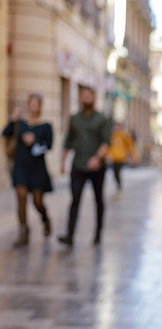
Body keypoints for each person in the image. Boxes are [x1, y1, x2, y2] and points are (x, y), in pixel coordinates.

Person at [58, 88, 111, 246]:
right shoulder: (74, 119)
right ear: (80, 98)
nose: (86, 99)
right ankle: (70, 234)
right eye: (83, 96)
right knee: (75, 199)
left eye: (89, 96)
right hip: (78, 166)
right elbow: (68, 141)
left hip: (97, 168)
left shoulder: (102, 118)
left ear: (94, 98)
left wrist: (97, 158)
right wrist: (62, 162)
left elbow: (106, 142)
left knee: (98, 200)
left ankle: (98, 233)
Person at [2, 93, 53, 247]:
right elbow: (5, 133)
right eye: (31, 104)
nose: (33, 107)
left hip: (37, 168)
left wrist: (34, 141)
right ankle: (23, 231)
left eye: (36, 104)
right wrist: (13, 119)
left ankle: (45, 218)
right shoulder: (21, 123)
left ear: (40, 107)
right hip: (21, 166)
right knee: (21, 197)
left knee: (38, 201)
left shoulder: (46, 126)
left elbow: (49, 145)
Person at [107, 121, 139, 198]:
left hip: (121, 158)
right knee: (115, 174)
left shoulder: (123, 135)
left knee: (117, 173)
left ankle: (119, 188)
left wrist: (134, 156)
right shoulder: (112, 136)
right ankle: (118, 187)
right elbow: (109, 146)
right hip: (114, 158)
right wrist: (107, 155)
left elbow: (130, 145)